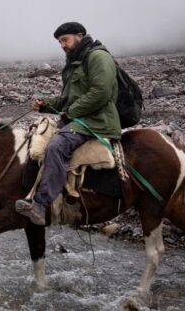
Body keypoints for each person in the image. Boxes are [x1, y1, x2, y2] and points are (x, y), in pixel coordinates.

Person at [15, 22, 121, 225]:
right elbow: (67, 99)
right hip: (82, 117)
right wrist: (46, 104)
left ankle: (40, 204)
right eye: (59, 42)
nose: (62, 45)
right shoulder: (75, 62)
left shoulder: (98, 57)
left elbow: (101, 92)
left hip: (97, 120)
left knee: (57, 145)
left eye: (65, 39)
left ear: (79, 36)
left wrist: (70, 113)